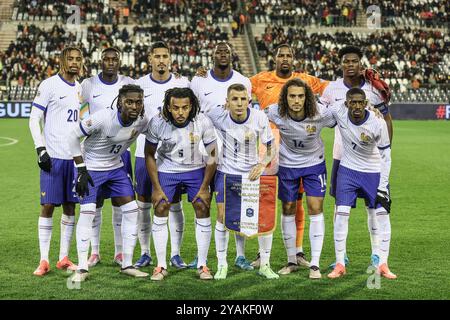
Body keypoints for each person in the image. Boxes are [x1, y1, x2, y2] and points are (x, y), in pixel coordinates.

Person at [250, 44, 329, 268]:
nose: (284, 59)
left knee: (297, 200)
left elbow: (332, 90)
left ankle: (298, 252)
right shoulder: (260, 79)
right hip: (268, 144)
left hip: (294, 146)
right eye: (280, 55)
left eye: (288, 55)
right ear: (274, 58)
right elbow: (235, 86)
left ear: (293, 59)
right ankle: (261, 252)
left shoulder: (305, 79)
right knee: (265, 198)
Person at [320, 45, 394, 269]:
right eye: (346, 61)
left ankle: (376, 254)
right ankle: (340, 257)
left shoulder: (373, 89)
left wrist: (386, 149)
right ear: (341, 64)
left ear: (360, 64)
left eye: (354, 61)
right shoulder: (332, 89)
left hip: (370, 158)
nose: (350, 65)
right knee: (340, 205)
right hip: (342, 156)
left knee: (373, 206)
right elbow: (322, 116)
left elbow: (387, 120)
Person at [68, 84, 150, 282]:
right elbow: (72, 136)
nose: (134, 106)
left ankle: (127, 264)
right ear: (120, 102)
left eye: (138, 102)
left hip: (115, 168)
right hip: (91, 168)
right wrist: (80, 169)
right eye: (129, 102)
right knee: (88, 213)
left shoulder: (142, 121)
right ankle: (82, 268)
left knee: (131, 210)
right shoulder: (103, 118)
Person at [190, 42, 253, 271]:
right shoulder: (199, 80)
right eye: (219, 52)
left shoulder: (244, 81)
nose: (223, 55)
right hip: (204, 153)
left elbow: (247, 115)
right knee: (203, 203)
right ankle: (202, 257)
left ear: (232, 55)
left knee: (238, 207)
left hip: (234, 155)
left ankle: (240, 255)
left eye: (226, 52)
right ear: (213, 56)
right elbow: (191, 108)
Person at [205, 83, 278, 280]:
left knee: (261, 219)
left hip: (251, 175)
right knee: (222, 216)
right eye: (234, 99)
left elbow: (271, 147)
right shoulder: (217, 115)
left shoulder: (259, 117)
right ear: (227, 103)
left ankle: (265, 264)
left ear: (249, 101)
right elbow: (194, 112)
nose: (239, 103)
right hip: (226, 173)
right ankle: (222, 264)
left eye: (243, 99)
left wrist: (262, 165)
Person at [265, 79, 336, 279]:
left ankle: (314, 264)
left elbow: (342, 116)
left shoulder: (320, 113)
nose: (296, 100)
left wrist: (372, 111)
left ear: (307, 98)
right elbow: (253, 116)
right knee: (288, 208)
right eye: (292, 96)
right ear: (285, 98)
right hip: (287, 166)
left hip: (314, 165)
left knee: (315, 208)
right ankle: (291, 260)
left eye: (301, 96)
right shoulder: (275, 112)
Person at [144, 87, 217, 281]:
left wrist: (204, 188)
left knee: (202, 206)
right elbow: (149, 154)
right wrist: (157, 188)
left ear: (191, 106)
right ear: (168, 107)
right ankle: (160, 266)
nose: (180, 112)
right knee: (160, 206)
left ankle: (202, 265)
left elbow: (213, 154)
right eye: (175, 108)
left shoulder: (202, 121)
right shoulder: (158, 122)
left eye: (185, 107)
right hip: (167, 169)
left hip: (195, 169)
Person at [327, 88, 396, 280]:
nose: (357, 106)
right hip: (348, 171)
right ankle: (340, 263)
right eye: (353, 102)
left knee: (382, 215)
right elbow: (321, 111)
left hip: (374, 171)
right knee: (341, 215)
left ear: (366, 103)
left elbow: (386, 156)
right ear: (346, 103)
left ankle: (383, 262)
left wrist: (382, 186)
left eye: (360, 102)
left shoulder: (377, 122)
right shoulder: (339, 112)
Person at [134, 41, 191, 269]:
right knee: (144, 204)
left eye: (165, 56)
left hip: (175, 156)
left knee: (174, 203)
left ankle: (175, 254)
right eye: (156, 56)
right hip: (144, 152)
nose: (161, 60)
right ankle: (145, 252)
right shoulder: (139, 85)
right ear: (150, 59)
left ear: (170, 58)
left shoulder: (182, 83)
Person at [29, 46, 84, 276]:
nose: (74, 62)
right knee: (48, 206)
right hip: (53, 157)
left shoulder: (82, 88)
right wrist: (40, 149)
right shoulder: (49, 84)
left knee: (71, 207)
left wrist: (82, 163)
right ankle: (44, 260)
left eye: (78, 59)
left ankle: (63, 257)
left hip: (74, 158)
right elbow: (34, 119)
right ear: (62, 60)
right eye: (70, 58)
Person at [80, 47, 135, 268]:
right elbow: (76, 108)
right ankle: (95, 252)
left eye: (114, 59)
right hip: (94, 154)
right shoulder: (88, 84)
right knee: (95, 204)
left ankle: (120, 252)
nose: (111, 62)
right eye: (107, 59)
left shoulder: (127, 82)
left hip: (120, 154)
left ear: (119, 61)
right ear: (100, 61)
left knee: (120, 203)